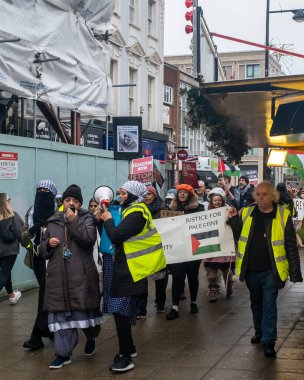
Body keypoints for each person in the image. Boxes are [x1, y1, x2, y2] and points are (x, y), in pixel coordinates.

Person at [227, 181, 303, 358]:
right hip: (251, 269)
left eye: (264, 194)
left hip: (272, 270)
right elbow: (239, 234)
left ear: (273, 196)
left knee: (269, 305)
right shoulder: (246, 212)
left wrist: (295, 272)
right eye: (258, 194)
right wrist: (233, 220)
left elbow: (291, 245)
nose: (260, 197)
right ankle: (259, 332)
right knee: (256, 303)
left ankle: (269, 341)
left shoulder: (283, 215)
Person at [100, 180, 165, 372]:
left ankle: (125, 357)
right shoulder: (133, 210)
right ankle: (129, 348)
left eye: (123, 193)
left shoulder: (137, 212)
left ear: (133, 196)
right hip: (128, 268)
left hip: (131, 269)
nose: (120, 196)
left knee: (120, 312)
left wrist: (107, 220)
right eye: (120, 193)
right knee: (122, 311)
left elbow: (117, 235)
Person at [40, 184, 102, 369]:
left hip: (80, 278)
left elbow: (88, 240)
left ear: (80, 203)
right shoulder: (52, 221)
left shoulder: (87, 219)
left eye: (75, 201)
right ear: (63, 202)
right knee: (61, 320)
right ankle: (63, 354)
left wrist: (73, 221)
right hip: (58, 278)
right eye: (68, 200)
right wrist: (48, 245)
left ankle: (91, 337)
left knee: (85, 317)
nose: (71, 203)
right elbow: (42, 251)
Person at [23, 180, 58, 350]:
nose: (42, 192)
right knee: (46, 293)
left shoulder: (58, 212)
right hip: (37, 259)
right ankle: (48, 330)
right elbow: (23, 238)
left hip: (54, 259)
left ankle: (38, 334)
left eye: (46, 190)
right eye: (40, 190)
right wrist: (31, 231)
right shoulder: (31, 212)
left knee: (46, 294)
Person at [166, 184, 205, 320]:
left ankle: (193, 302)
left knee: (192, 276)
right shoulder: (170, 210)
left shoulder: (199, 209)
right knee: (177, 276)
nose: (182, 194)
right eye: (180, 192)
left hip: (193, 247)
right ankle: (175, 307)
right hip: (177, 248)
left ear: (190, 195)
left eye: (185, 192)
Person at [137, 185, 167, 317]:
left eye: (149, 194)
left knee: (160, 279)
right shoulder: (138, 210)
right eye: (144, 194)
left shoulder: (162, 210)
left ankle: (160, 303)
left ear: (155, 195)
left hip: (159, 249)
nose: (146, 197)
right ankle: (141, 309)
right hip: (143, 249)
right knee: (142, 280)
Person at [203, 188, 235, 302]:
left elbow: (234, 224)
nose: (217, 202)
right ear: (211, 201)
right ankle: (213, 289)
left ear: (222, 201)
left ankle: (229, 285)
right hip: (211, 245)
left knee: (226, 269)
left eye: (219, 200)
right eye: (214, 200)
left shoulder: (228, 210)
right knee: (211, 268)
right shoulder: (206, 213)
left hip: (224, 244)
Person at [0, 193, 24, 304]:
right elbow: (21, 234)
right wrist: (29, 246)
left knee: (5, 272)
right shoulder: (13, 216)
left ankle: (12, 296)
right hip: (10, 251)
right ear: (6, 202)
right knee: (4, 274)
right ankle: (12, 296)